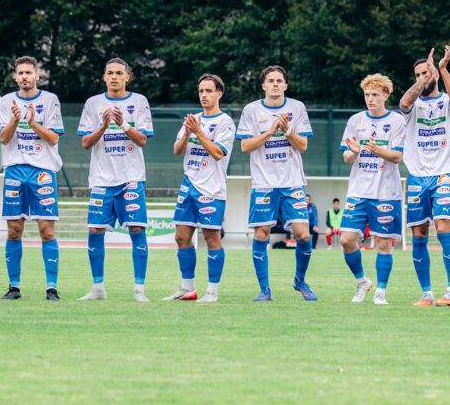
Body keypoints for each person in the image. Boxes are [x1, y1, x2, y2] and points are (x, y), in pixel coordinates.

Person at [237, 65, 316, 302]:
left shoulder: (297, 108)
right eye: (270, 80)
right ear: (263, 85)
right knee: (261, 235)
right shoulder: (251, 110)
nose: (274, 84)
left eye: (279, 80)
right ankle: (265, 290)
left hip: (292, 183)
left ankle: (300, 281)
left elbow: (302, 146)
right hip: (263, 183)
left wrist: (288, 131)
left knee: (303, 235)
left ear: (285, 85)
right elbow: (244, 147)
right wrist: (270, 131)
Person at [78, 59, 154, 302]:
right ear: (104, 77)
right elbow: (85, 143)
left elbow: (142, 140)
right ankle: (98, 287)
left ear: (127, 77)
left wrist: (122, 123)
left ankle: (139, 289)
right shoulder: (93, 103)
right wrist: (103, 127)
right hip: (102, 179)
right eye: (109, 72)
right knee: (94, 229)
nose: (114, 77)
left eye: (119, 73)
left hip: (131, 177)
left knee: (137, 228)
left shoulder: (139, 101)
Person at [0, 56, 65, 301]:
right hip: (15, 169)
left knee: (46, 230)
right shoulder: (6, 101)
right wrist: (15, 119)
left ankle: (51, 287)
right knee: (14, 229)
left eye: (29, 72)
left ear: (37, 76)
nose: (24, 76)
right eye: (20, 73)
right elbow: (3, 139)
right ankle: (14, 287)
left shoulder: (50, 100)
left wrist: (32, 122)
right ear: (15, 76)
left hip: (43, 171)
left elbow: (54, 138)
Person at [399, 46, 450, 307]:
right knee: (418, 234)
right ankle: (426, 293)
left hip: (443, 173)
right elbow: (403, 103)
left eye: (426, 72)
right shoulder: (411, 105)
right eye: (417, 74)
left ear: (435, 74)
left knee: (443, 227)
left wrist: (443, 69)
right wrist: (422, 81)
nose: (422, 77)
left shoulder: (446, 102)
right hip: (417, 175)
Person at [164, 74, 236, 303]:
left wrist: (198, 132)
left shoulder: (225, 122)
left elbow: (217, 153)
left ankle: (212, 292)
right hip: (189, 184)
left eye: (209, 91)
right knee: (181, 237)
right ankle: (188, 289)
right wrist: (186, 133)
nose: (204, 95)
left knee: (212, 237)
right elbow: (176, 151)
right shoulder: (192, 119)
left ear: (219, 94)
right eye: (201, 91)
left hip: (212, 189)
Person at [339, 74, 407, 305]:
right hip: (358, 191)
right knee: (346, 240)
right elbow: (347, 157)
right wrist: (355, 151)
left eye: (375, 95)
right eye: (367, 95)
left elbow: (397, 157)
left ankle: (381, 291)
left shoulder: (397, 121)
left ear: (386, 95)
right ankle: (361, 281)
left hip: (386, 192)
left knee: (383, 243)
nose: (370, 99)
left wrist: (377, 150)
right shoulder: (355, 121)